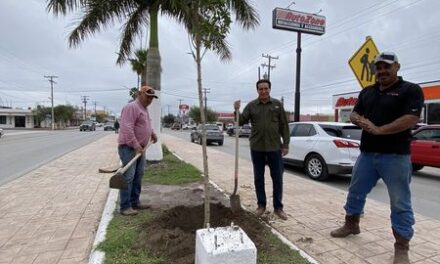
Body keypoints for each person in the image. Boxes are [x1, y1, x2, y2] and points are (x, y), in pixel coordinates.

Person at [330, 52, 424, 264]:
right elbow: (354, 114)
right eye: (378, 67)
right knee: (355, 191)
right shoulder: (368, 92)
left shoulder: (410, 90)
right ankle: (351, 224)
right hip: (367, 154)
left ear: (397, 67)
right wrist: (360, 121)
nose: (381, 71)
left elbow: (411, 118)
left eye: (386, 67)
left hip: (396, 156)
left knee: (400, 201)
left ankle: (402, 246)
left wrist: (380, 130)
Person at [233, 79, 290, 220]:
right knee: (259, 178)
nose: (263, 91)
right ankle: (261, 205)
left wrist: (286, 144)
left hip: (274, 147)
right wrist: (236, 111)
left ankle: (278, 208)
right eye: (260, 89)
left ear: (270, 89)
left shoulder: (277, 105)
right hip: (257, 147)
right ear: (257, 90)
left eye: (266, 88)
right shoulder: (252, 106)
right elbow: (241, 121)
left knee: (277, 178)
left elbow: (284, 126)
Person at [117, 85, 158, 216]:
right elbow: (126, 128)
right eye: (148, 96)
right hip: (129, 148)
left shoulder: (144, 109)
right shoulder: (132, 107)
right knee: (128, 177)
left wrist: (152, 133)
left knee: (138, 175)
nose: (150, 100)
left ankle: (135, 202)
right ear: (139, 94)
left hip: (141, 148)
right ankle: (125, 206)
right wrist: (135, 145)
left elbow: (147, 125)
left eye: (152, 98)